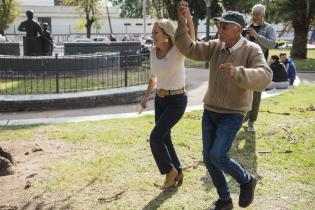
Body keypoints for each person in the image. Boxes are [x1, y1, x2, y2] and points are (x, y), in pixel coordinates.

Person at [176, 2, 272, 209]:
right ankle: (224, 200)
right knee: (209, 159)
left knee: (217, 155)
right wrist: (183, 22)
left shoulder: (252, 49)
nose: (219, 30)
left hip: (233, 113)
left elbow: (265, 76)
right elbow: (189, 48)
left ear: (238, 29)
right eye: (219, 26)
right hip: (210, 111)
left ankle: (247, 180)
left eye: (224, 27)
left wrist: (239, 72)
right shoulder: (215, 46)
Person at [140, 4, 195, 190]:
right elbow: (153, 77)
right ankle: (177, 171)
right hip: (160, 100)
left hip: (177, 101)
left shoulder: (178, 50)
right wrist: (146, 98)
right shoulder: (153, 52)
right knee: (164, 138)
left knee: (155, 137)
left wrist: (187, 16)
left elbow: (192, 39)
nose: (152, 35)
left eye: (155, 32)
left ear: (166, 35)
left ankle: (169, 172)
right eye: (152, 32)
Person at [243, 4, 277, 132]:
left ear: (263, 15)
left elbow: (272, 44)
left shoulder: (269, 28)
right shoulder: (247, 27)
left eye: (257, 14)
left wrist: (257, 36)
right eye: (253, 14)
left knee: (256, 95)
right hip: (245, 64)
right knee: (243, 92)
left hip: (260, 66)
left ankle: (251, 121)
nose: (255, 17)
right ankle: (243, 116)